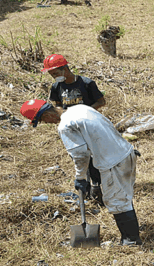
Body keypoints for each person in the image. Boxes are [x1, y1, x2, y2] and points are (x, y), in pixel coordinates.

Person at [20, 99, 142, 245]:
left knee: (116, 201)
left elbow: (80, 155)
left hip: (113, 162)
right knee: (123, 196)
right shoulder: (80, 109)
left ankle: (131, 241)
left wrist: (80, 177)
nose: (46, 123)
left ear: (47, 115)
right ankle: (131, 235)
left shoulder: (65, 126)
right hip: (126, 152)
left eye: (42, 120)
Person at [42, 53, 106, 204]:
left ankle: (99, 187)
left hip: (88, 125)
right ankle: (87, 186)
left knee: (94, 157)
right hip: (71, 128)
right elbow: (56, 104)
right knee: (80, 156)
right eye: (51, 74)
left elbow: (101, 101)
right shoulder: (57, 86)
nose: (54, 77)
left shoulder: (86, 83)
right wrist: (62, 112)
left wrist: (84, 112)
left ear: (65, 69)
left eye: (56, 73)